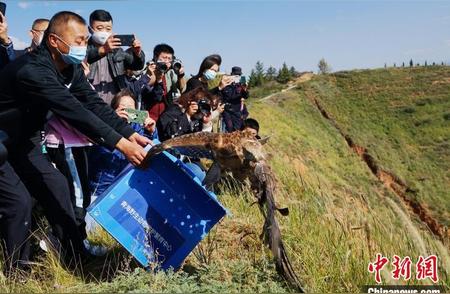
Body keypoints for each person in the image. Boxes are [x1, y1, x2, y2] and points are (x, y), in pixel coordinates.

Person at [0, 11, 149, 272]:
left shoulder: (70, 69)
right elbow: (74, 111)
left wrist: (128, 132)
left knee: (57, 185)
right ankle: (15, 271)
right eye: (78, 41)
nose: (84, 47)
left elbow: (92, 104)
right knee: (18, 202)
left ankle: (75, 253)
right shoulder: (32, 71)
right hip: (2, 139)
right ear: (55, 41)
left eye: (85, 41)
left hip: (26, 139)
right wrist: (121, 145)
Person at [89, 89, 157, 197]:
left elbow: (152, 151)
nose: (127, 111)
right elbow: (97, 152)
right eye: (123, 107)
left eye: (131, 108)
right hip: (99, 187)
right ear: (114, 109)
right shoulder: (102, 125)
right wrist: (113, 121)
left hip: (124, 189)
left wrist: (152, 131)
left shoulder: (139, 130)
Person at [86, 9, 145, 105]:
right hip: (89, 105)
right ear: (90, 29)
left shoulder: (118, 50)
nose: (104, 32)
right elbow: (83, 58)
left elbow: (137, 65)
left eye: (108, 29)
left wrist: (137, 53)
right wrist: (103, 49)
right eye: (100, 28)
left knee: (137, 118)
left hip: (114, 105)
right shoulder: (82, 48)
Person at [144, 44, 186, 121]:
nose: (166, 61)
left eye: (169, 58)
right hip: (147, 116)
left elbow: (183, 90)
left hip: (165, 118)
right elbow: (148, 86)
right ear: (155, 58)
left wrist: (180, 75)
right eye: (164, 58)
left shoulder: (171, 73)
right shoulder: (148, 70)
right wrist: (156, 73)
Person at [221, 66, 250, 132]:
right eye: (235, 75)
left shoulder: (241, 86)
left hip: (237, 110)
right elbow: (224, 95)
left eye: (239, 75)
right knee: (229, 128)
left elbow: (246, 96)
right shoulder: (226, 84)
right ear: (232, 75)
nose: (237, 77)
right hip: (227, 110)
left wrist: (244, 89)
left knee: (237, 129)